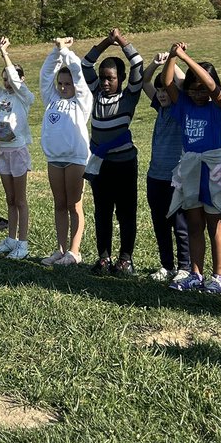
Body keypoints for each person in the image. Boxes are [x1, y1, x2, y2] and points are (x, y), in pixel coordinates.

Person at [160, 43, 221, 295]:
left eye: (202, 88)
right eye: (193, 89)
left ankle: (219, 277)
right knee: (194, 223)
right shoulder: (184, 105)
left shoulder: (220, 105)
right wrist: (173, 57)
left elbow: (213, 87)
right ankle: (195, 274)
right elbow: (168, 81)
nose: (198, 93)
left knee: (215, 224)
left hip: (213, 169)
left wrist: (186, 58)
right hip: (191, 167)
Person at [82, 27, 144, 275]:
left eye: (111, 78)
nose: (106, 83)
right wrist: (106, 42)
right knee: (102, 212)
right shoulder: (96, 93)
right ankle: (104, 258)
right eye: (103, 78)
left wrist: (121, 41)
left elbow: (138, 63)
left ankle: (125, 259)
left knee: (126, 213)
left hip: (125, 165)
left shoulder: (129, 97)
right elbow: (86, 63)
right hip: (102, 165)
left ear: (121, 79)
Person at [39, 38, 91, 267]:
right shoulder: (51, 99)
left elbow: (79, 74)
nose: (63, 87)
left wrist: (66, 52)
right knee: (59, 204)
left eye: (67, 84)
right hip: (55, 159)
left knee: (74, 205)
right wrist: (56, 52)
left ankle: (74, 251)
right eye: (60, 83)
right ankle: (60, 250)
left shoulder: (82, 100)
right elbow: (44, 75)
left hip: (75, 159)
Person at [142, 52, 191, 284]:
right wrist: (155, 64)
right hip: (155, 175)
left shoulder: (181, 109)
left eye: (165, 90)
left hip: (176, 177)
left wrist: (174, 59)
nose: (161, 94)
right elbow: (144, 82)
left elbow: (178, 82)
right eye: (159, 91)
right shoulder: (159, 107)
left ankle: (184, 266)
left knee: (179, 224)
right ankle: (166, 265)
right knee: (160, 223)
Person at [0, 37, 35, 259]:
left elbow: (15, 80)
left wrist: (6, 54)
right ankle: (10, 240)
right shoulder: (1, 95)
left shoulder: (25, 96)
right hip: (1, 150)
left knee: (20, 200)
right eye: (4, 79)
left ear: (21, 79)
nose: (7, 83)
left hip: (17, 151)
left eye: (10, 79)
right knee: (10, 199)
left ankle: (22, 245)